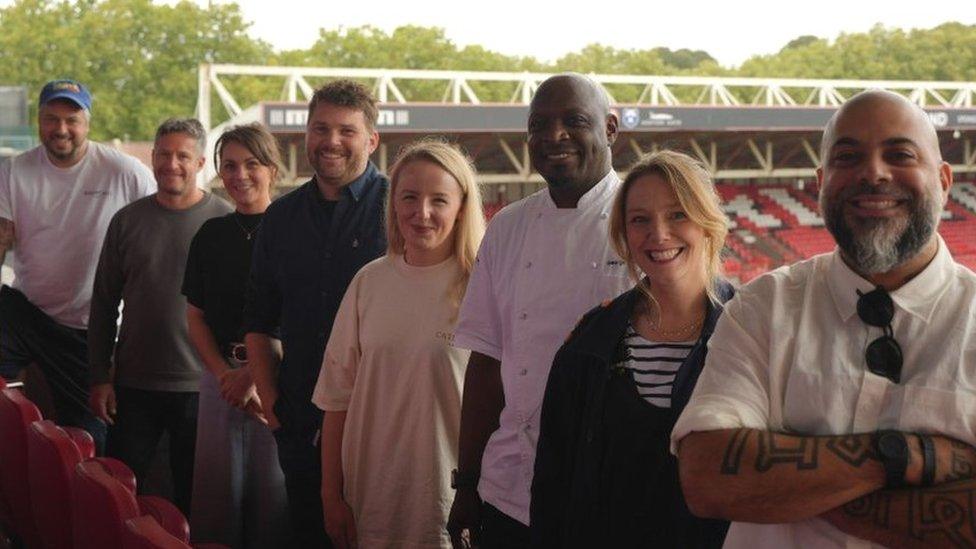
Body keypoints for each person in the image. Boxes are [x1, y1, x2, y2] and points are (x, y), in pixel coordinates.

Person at [673, 89, 976, 549]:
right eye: (848, 156)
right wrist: (908, 457)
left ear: (945, 179)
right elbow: (707, 476)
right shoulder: (762, 307)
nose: (873, 173)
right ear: (821, 182)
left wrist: (795, 487)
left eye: (899, 154)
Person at [446, 73, 632, 549]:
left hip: (610, 490)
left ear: (610, 128)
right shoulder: (507, 227)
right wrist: (467, 483)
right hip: (508, 488)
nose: (554, 136)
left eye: (575, 121)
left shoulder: (642, 218)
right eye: (539, 124)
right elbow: (486, 363)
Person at [530, 150, 731, 548]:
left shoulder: (748, 332)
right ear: (624, 233)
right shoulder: (591, 339)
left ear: (707, 222)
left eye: (677, 214)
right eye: (640, 219)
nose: (658, 234)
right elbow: (553, 480)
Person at [314, 140, 486, 549]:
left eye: (438, 200)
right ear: (393, 204)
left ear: (461, 207)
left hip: (447, 505)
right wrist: (330, 495)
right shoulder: (368, 283)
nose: (421, 213)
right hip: (370, 499)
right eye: (409, 197)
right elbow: (336, 400)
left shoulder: (484, 288)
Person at [243, 79, 388, 548]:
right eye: (320, 128)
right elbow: (260, 322)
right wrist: (274, 406)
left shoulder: (400, 210)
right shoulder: (280, 219)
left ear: (372, 140)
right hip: (300, 424)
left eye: (347, 130)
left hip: (383, 420)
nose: (330, 142)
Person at [0, 79, 154, 452]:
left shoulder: (124, 171)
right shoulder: (14, 170)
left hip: (90, 328)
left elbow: (158, 226)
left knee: (87, 437)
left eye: (72, 119)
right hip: (28, 312)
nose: (61, 129)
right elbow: (2, 236)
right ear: (39, 120)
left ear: (88, 122)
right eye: (51, 119)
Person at [88, 118, 232, 514]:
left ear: (201, 162)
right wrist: (100, 376)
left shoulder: (224, 222)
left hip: (202, 388)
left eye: (183, 156)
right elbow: (102, 303)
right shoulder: (127, 221)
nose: (172, 164)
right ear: (152, 158)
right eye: (164, 154)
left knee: (195, 501)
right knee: (121, 498)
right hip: (134, 386)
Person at [182, 123, 289, 548]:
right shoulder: (211, 234)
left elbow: (301, 314)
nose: (240, 174)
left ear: (272, 169)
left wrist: (253, 376)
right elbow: (195, 316)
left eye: (251, 164)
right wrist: (226, 375)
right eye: (229, 166)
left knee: (273, 501)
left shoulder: (292, 229)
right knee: (216, 502)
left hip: (278, 377)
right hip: (219, 378)